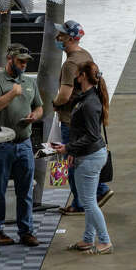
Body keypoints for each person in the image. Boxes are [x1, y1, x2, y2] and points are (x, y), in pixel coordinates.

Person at [51, 60, 112, 254]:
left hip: (90, 158)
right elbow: (82, 131)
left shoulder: (89, 103)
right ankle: (87, 239)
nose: (75, 78)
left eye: (77, 75)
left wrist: (68, 148)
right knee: (89, 200)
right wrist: (73, 153)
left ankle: (105, 241)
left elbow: (92, 136)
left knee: (88, 203)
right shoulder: (88, 98)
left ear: (83, 76)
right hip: (86, 156)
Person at [0, 44, 43, 248]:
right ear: (10, 59)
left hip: (24, 143)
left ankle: (26, 231)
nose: (24, 65)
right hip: (1, 145)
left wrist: (35, 115)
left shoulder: (30, 81)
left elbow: (39, 106)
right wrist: (12, 93)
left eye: (26, 61)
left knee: (25, 190)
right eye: (21, 61)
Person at [51, 21, 111, 215]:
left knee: (71, 162)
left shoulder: (69, 64)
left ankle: (80, 203)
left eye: (60, 35)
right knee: (83, 159)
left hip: (70, 119)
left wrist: (54, 103)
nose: (57, 38)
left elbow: (65, 95)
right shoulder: (85, 55)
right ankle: (99, 190)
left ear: (69, 38)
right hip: (84, 117)